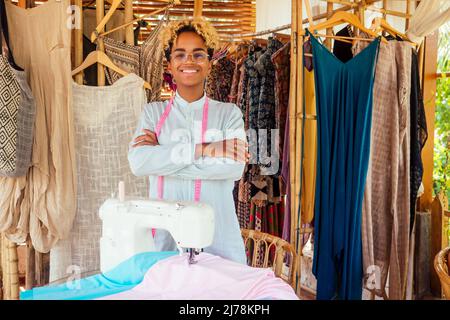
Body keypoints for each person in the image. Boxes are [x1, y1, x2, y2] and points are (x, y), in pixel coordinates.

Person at [128, 17, 249, 264]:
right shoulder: (153, 113)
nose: (189, 61)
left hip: (220, 243)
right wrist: (207, 149)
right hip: (164, 244)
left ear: (209, 63)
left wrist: (163, 156)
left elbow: (234, 168)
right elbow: (139, 164)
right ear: (169, 65)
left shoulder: (229, 114)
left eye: (198, 54)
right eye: (180, 55)